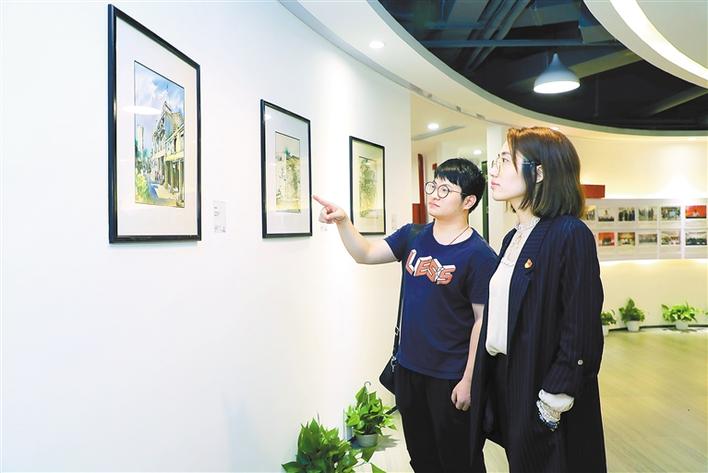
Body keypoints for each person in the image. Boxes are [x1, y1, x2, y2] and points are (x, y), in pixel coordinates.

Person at [314, 158, 496, 472]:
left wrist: (469, 379)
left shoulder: (479, 255)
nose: (434, 194)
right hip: (410, 370)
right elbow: (365, 254)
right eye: (433, 186)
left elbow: (482, 321)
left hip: (450, 377)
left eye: (445, 189)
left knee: (460, 462)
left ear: (468, 201)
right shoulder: (413, 235)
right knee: (422, 458)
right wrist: (343, 222)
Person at [469, 127, 606, 472]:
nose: (494, 170)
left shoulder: (569, 233)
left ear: (540, 172)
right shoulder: (514, 237)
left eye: (505, 160)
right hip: (509, 379)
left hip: (544, 387)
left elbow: (581, 327)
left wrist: (552, 401)